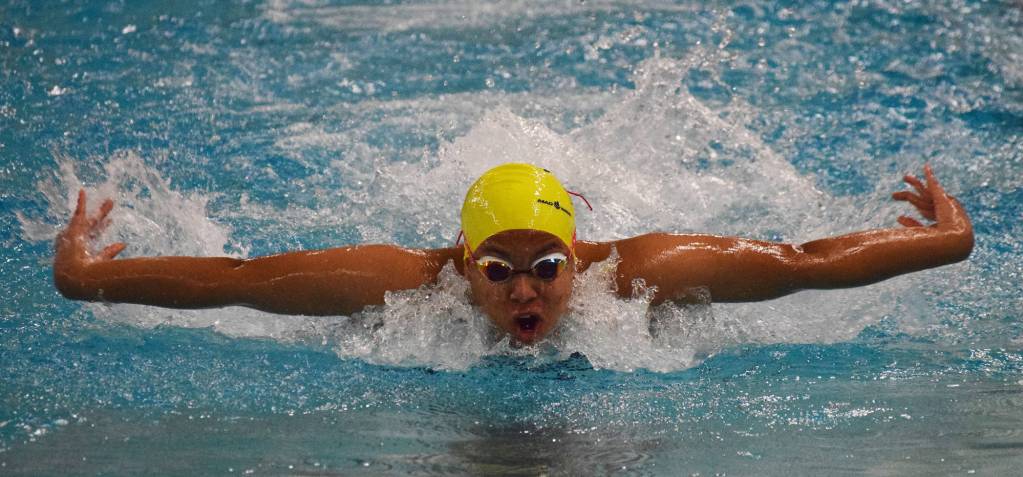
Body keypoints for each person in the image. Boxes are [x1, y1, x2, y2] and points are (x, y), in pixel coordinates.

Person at [54, 163, 973, 344]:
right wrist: (84, 276)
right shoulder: (406, 287)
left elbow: (803, 261)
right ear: (464, 260)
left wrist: (943, 239)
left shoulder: (642, 272)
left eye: (547, 266)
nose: (524, 289)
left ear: (581, 255)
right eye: (498, 269)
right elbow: (239, 282)